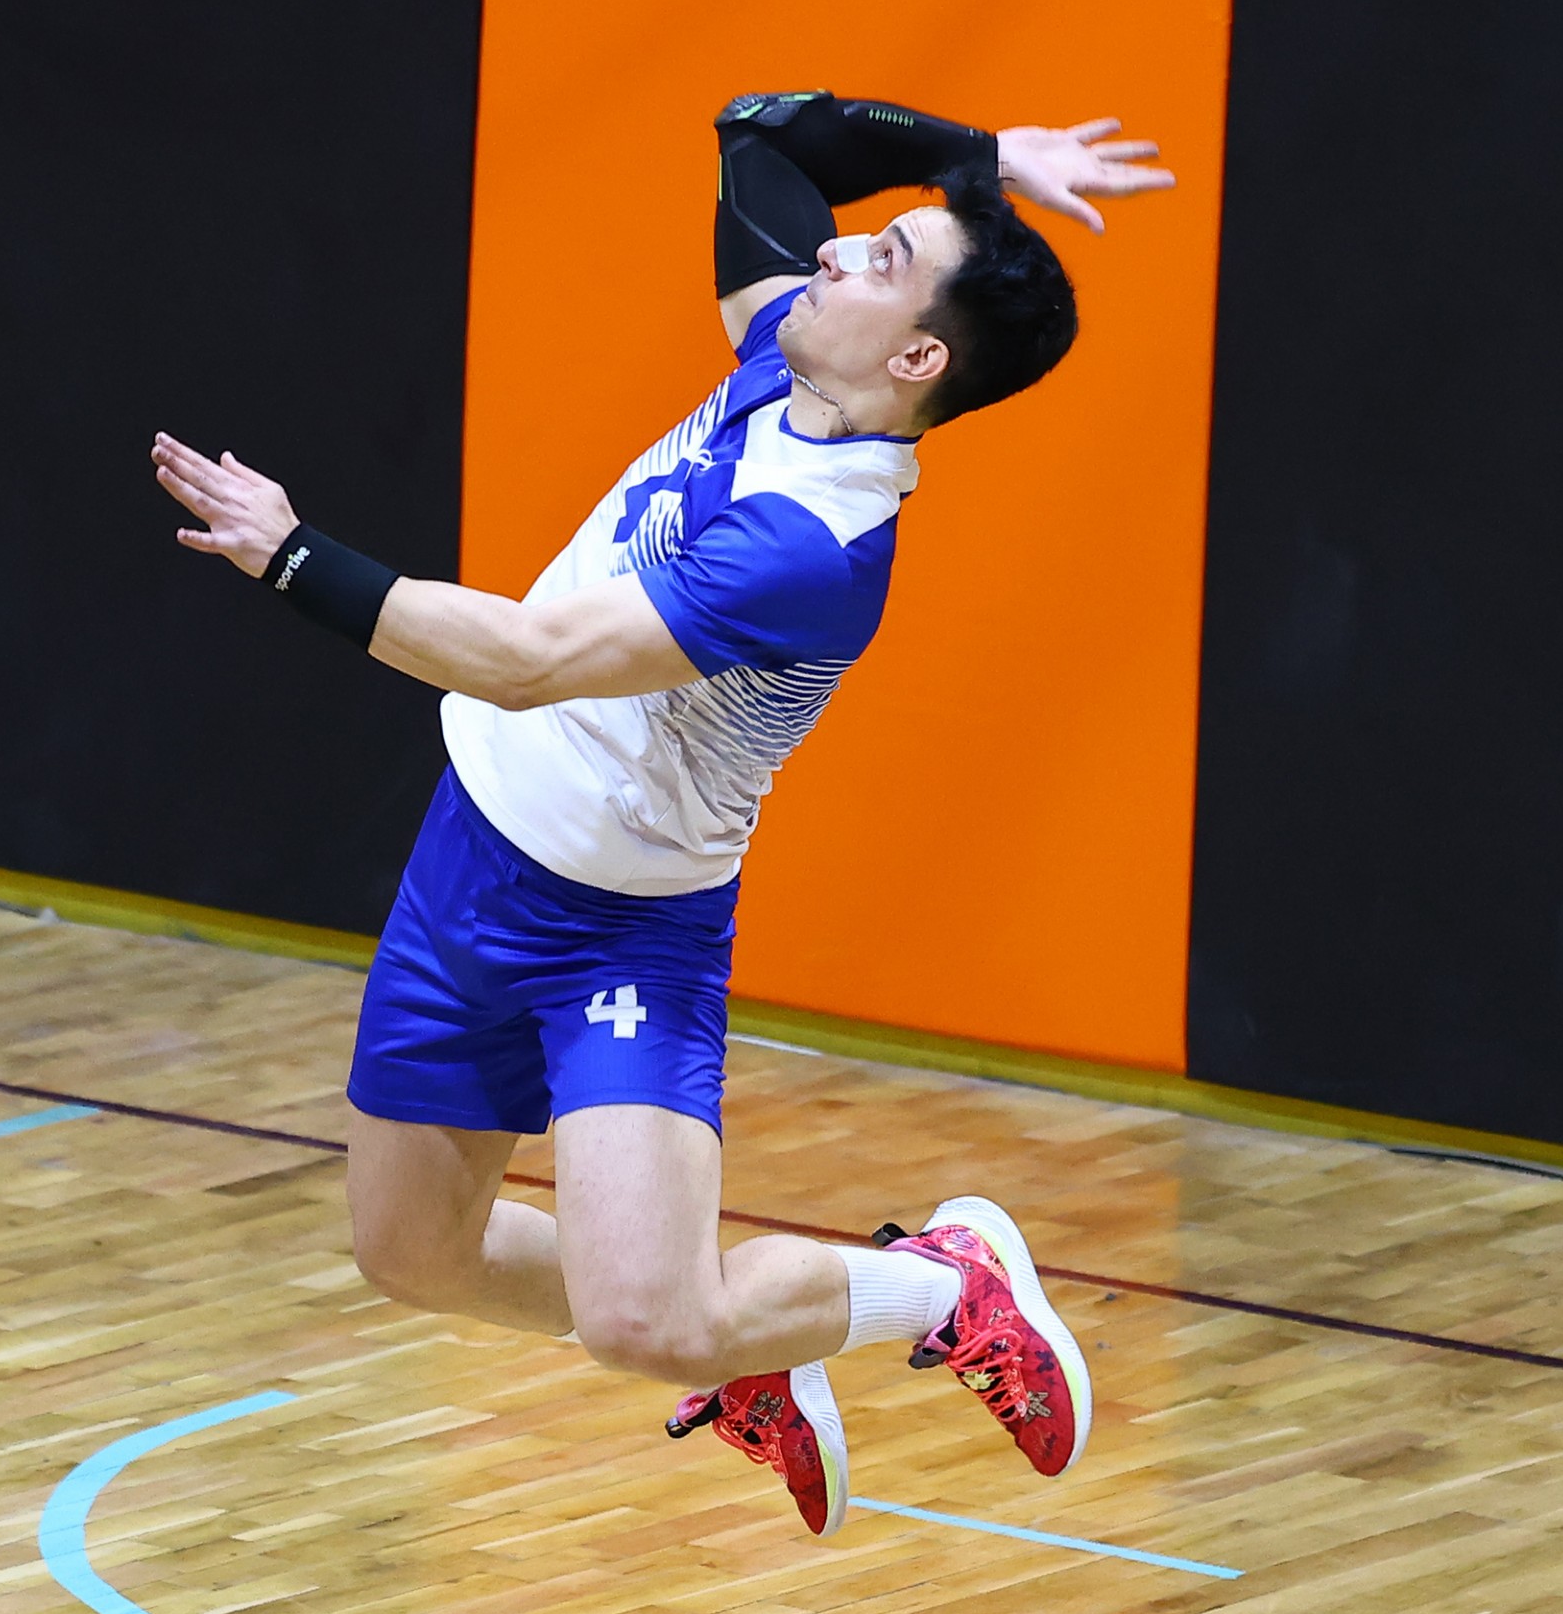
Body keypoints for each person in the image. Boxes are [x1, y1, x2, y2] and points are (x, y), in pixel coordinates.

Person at [152, 90, 1174, 1537]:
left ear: (917, 359)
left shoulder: (810, 549)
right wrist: (982, 157)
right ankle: (751, 1358)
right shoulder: (784, 352)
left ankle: (941, 1287)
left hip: (619, 931)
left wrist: (291, 556)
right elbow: (764, 136)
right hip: (471, 860)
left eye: (881, 260)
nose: (835, 253)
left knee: (652, 1322)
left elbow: (528, 660)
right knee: (411, 1254)